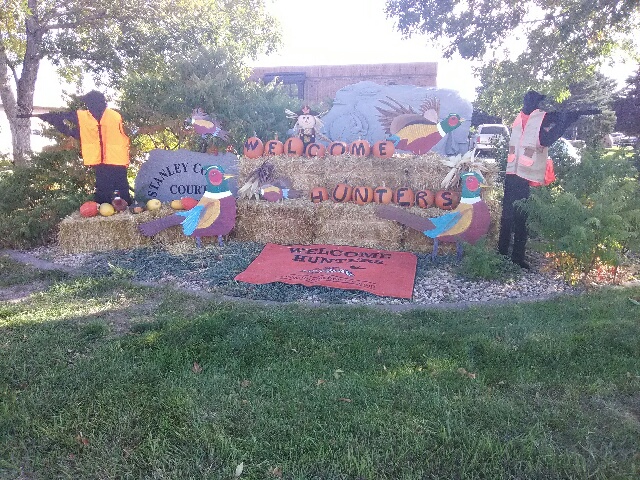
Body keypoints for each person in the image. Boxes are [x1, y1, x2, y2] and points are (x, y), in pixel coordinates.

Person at [497, 90, 600, 268]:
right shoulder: (537, 118)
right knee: (520, 217)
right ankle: (516, 258)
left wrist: (571, 116)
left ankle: (502, 252)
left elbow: (550, 120)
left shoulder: (519, 118)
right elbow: (546, 139)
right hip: (524, 175)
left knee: (508, 216)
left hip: (512, 172)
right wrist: (564, 121)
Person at [37, 90, 132, 205]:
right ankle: (121, 207)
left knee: (106, 192)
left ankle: (111, 207)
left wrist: (51, 119)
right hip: (112, 159)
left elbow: (62, 119)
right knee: (118, 190)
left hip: (110, 160)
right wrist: (52, 119)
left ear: (90, 103)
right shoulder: (115, 115)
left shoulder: (84, 116)